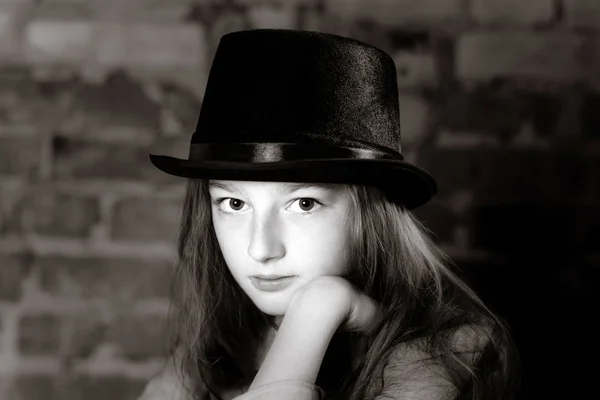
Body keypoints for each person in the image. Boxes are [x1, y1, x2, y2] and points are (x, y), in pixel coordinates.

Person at [139, 29, 521, 400]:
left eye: (304, 204)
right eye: (234, 204)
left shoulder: (449, 351)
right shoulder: (220, 342)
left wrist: (316, 309)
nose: (261, 249)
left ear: (370, 215)